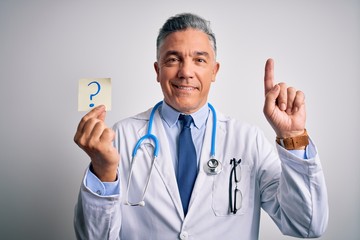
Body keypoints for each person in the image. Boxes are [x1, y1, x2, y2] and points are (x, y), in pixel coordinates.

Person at [73, 13, 328, 240]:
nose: (186, 72)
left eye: (199, 60)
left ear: (214, 71)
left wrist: (293, 137)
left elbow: (307, 224)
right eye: (173, 60)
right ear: (157, 70)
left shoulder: (248, 139)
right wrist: (103, 170)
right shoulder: (122, 137)